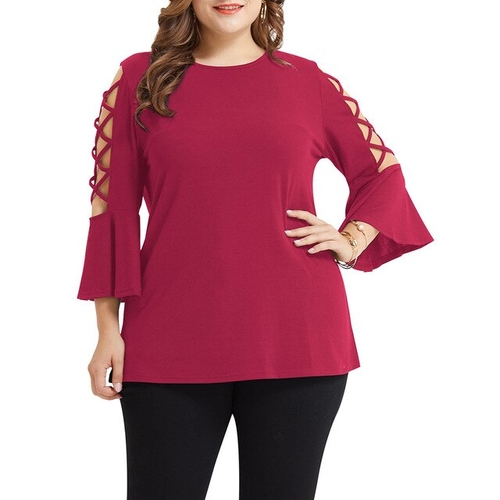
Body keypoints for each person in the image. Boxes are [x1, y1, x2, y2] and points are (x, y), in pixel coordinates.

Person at [78, 1, 433, 498]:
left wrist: (350, 240)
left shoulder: (307, 81)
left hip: (298, 341)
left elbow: (383, 174)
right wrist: (106, 329)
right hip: (167, 338)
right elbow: (112, 211)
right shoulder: (141, 78)